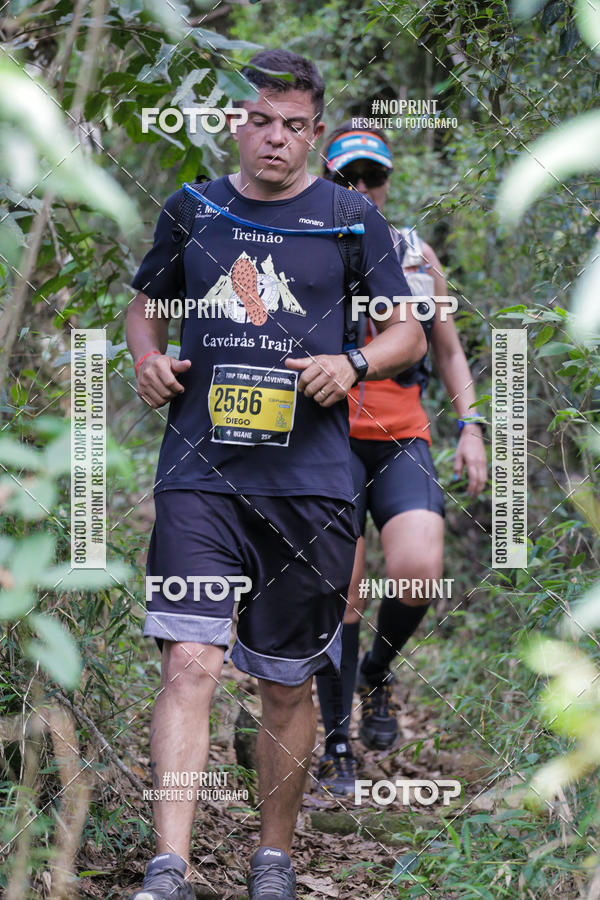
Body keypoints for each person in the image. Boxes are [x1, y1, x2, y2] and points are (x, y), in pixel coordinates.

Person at [125, 54, 426, 900]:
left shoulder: (347, 218)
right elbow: (145, 305)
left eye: (295, 126)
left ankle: (274, 857)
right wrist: (147, 358)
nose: (277, 139)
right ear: (236, 122)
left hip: (314, 483)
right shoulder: (195, 208)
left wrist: (353, 361)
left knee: (286, 680)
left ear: (315, 135)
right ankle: (169, 866)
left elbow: (406, 329)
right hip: (201, 472)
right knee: (189, 660)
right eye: (262, 120)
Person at [314, 123, 488, 797]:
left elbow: (447, 350)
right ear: (327, 180)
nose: (360, 189)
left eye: (372, 178)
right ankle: (335, 746)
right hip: (325, 441)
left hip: (401, 436)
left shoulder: (415, 252)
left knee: (417, 570)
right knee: (343, 594)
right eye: (346, 178)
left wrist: (470, 425)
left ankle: (377, 675)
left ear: (387, 183)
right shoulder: (304, 245)